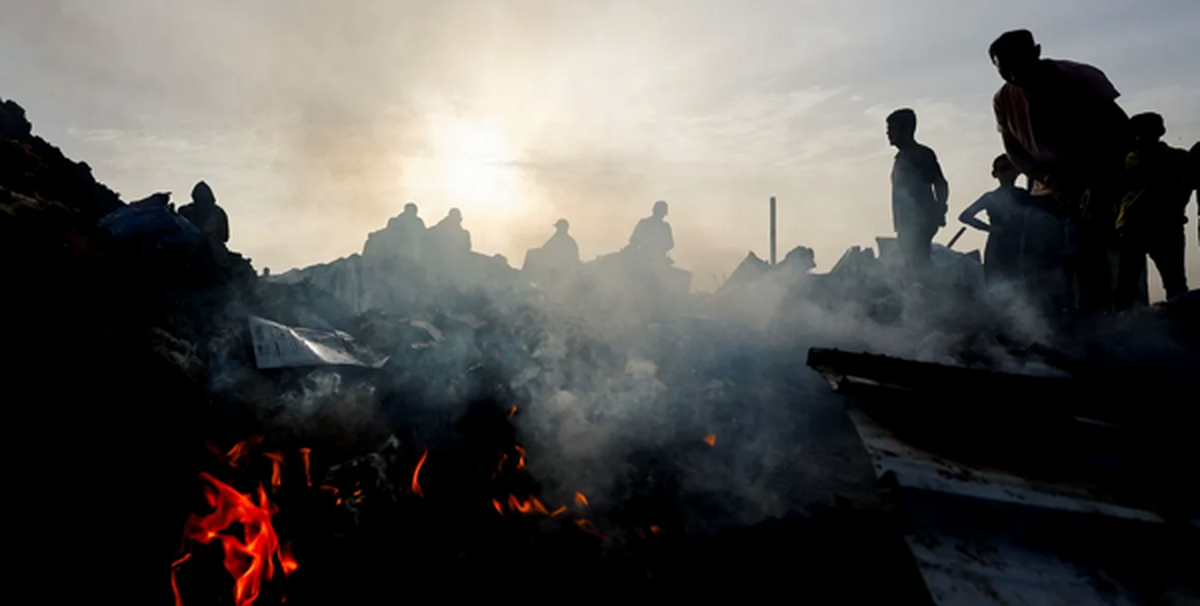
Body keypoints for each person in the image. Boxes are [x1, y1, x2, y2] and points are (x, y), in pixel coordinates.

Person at [988, 29, 1131, 312]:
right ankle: (1049, 326)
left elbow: (1119, 132)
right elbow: (1014, 149)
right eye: (1006, 71)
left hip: (1096, 179)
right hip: (1046, 186)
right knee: (1038, 256)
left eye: (1019, 66)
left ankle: (1099, 326)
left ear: (1037, 52)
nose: (1014, 76)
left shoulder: (1078, 78)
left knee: (1090, 254)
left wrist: (1100, 184)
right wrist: (1048, 178)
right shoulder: (1003, 99)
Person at [1114, 113, 1192, 307]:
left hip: (1144, 227)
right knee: (1173, 285)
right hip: (1156, 227)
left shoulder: (1126, 162)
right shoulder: (1178, 158)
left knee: (1129, 286)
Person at [887, 108, 949, 274]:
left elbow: (940, 183)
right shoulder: (901, 158)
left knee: (919, 264)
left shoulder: (920, 154)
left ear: (905, 129)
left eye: (892, 127)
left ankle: (929, 296)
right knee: (910, 265)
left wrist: (940, 209)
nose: (888, 132)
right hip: (905, 223)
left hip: (919, 221)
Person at [959, 154, 1032, 284]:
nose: (1008, 173)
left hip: (1020, 246)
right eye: (1003, 169)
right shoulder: (991, 197)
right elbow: (965, 216)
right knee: (996, 287)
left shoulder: (1024, 195)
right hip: (998, 247)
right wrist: (991, 228)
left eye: (1011, 168)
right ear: (995, 174)